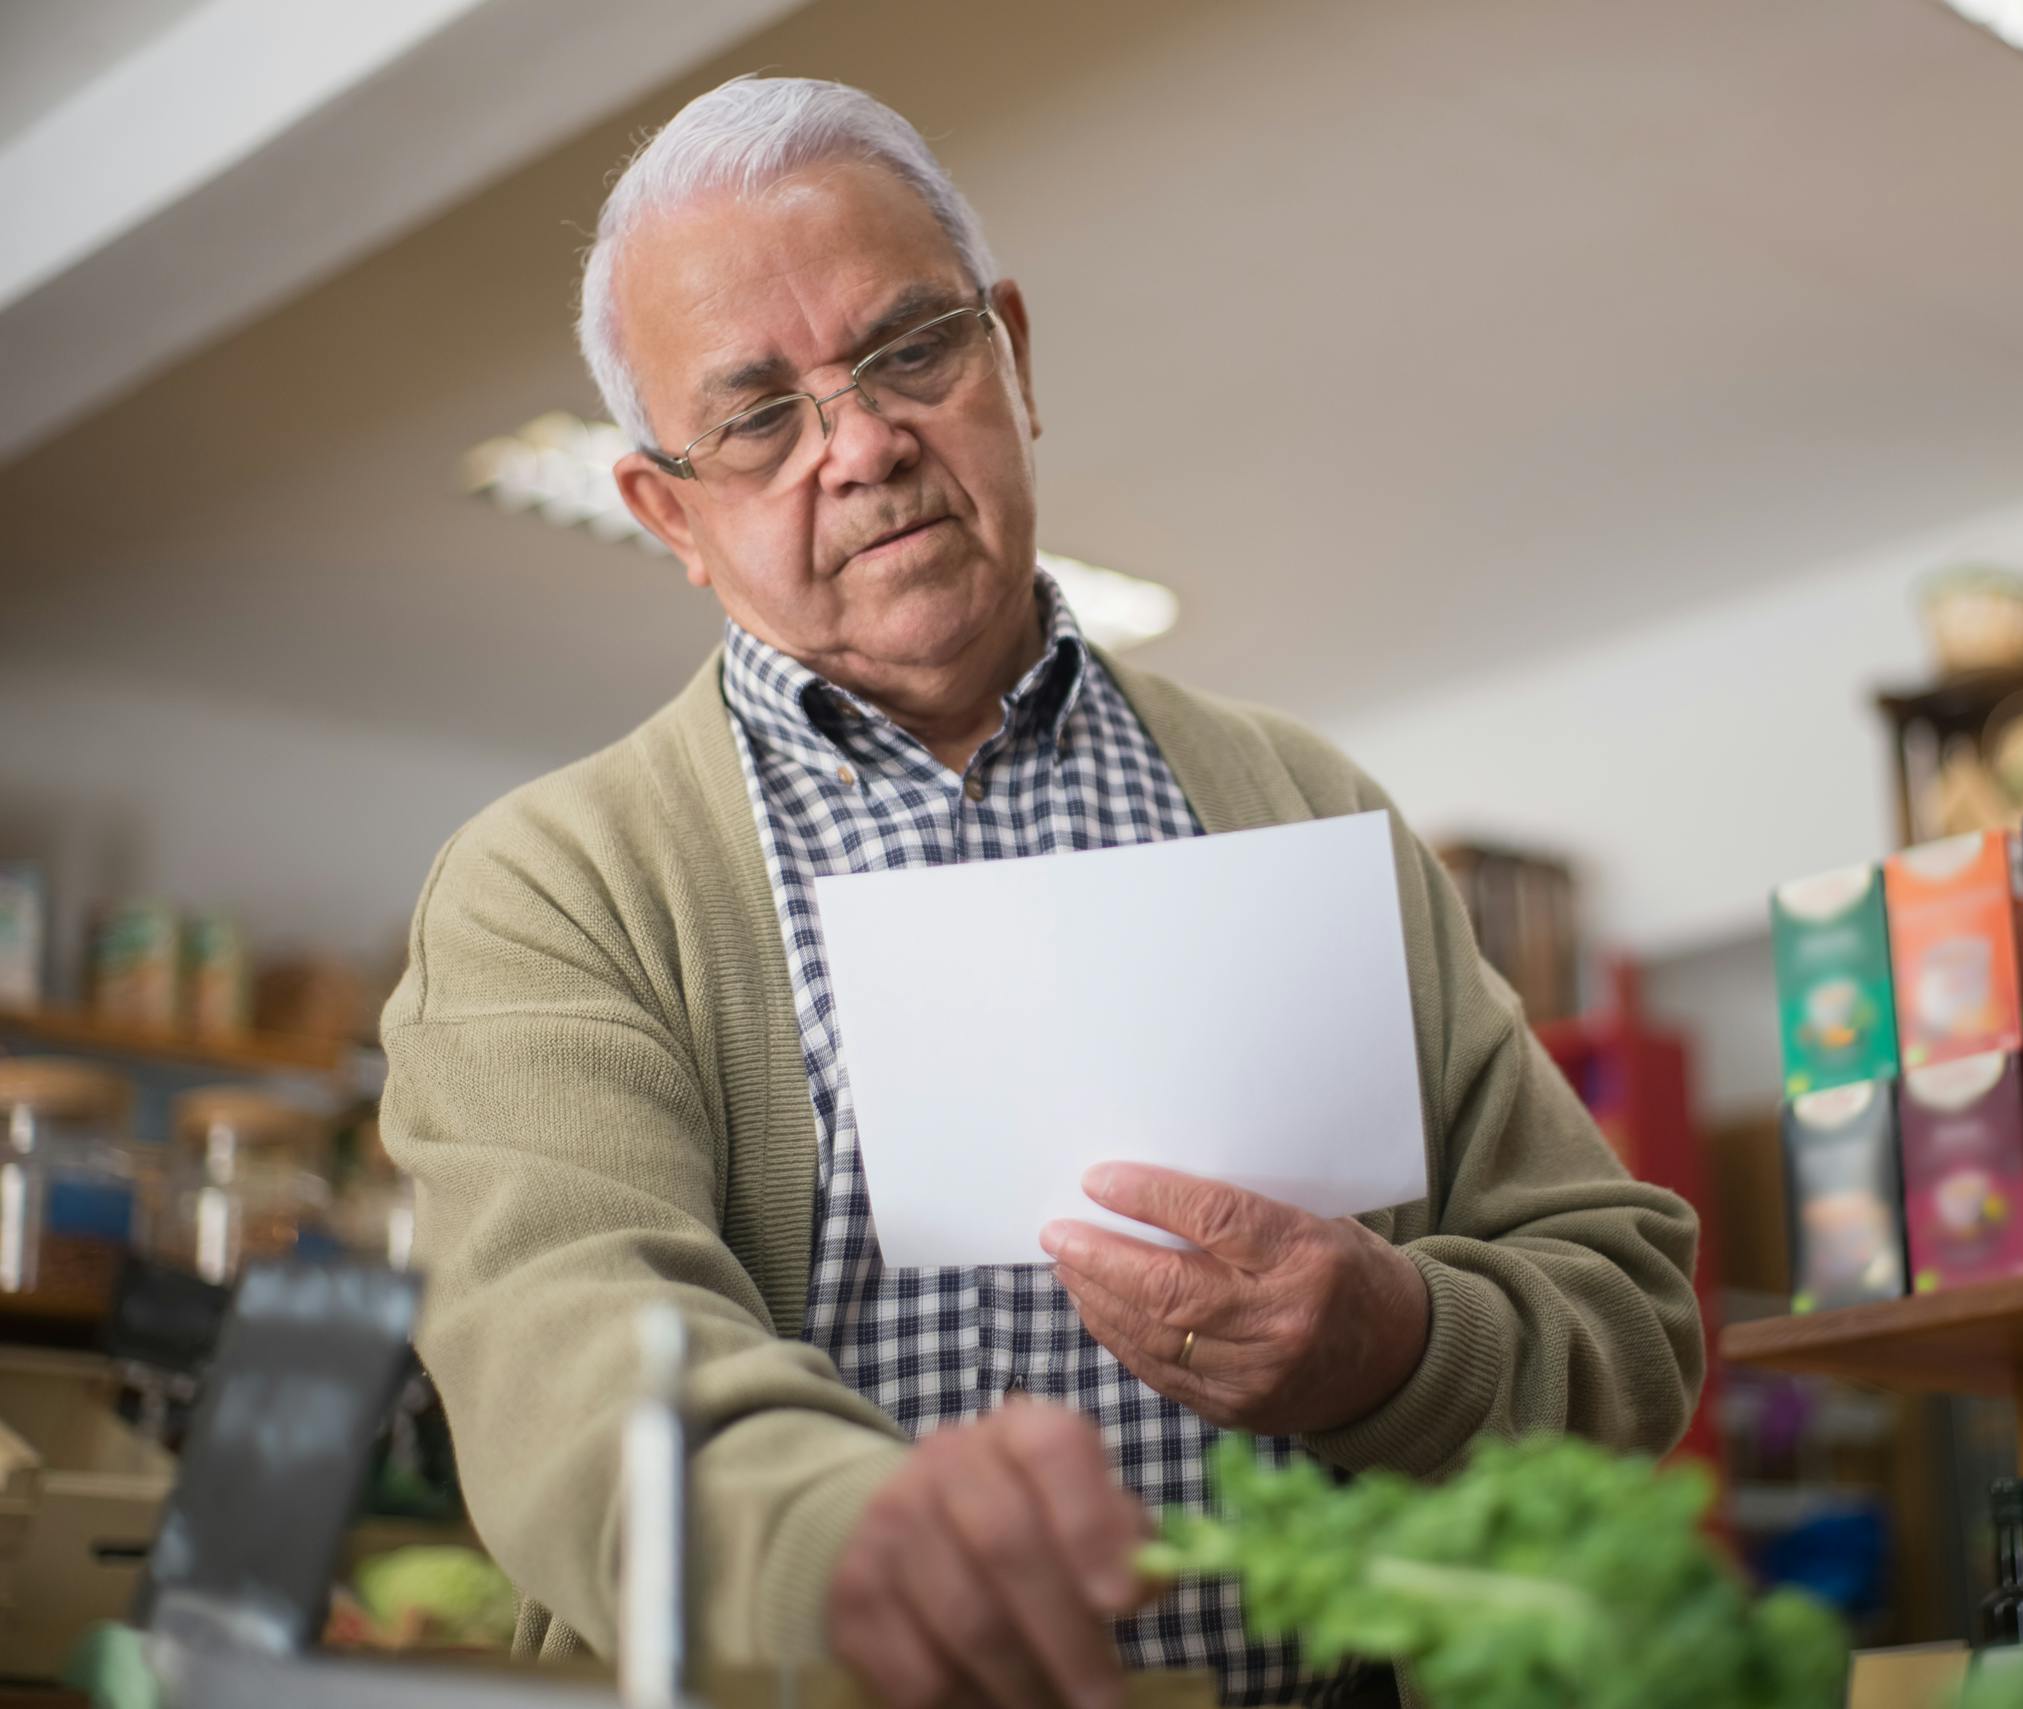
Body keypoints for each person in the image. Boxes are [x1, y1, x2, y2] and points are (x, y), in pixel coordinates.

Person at [381, 74, 1703, 1709]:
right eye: (757, 417)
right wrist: (857, 1548)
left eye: (910, 351)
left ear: (1011, 353)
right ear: (669, 510)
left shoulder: (1298, 804)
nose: (860, 444)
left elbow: (1628, 1303)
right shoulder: (552, 890)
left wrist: (1400, 1344)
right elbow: (568, 1371)